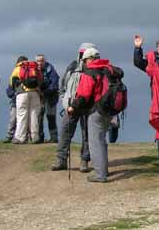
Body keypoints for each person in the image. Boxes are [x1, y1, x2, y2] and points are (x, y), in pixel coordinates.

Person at [69, 47, 123, 183]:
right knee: (101, 140)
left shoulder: (90, 72)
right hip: (109, 111)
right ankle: (103, 170)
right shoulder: (109, 70)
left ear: (90, 59)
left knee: (95, 142)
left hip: (96, 110)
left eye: (85, 60)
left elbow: (84, 95)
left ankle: (100, 174)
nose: (84, 63)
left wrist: (73, 107)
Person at [52, 43, 95, 172]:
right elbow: (63, 87)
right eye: (82, 53)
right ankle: (61, 159)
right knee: (65, 131)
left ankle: (85, 161)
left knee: (87, 134)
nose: (83, 55)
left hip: (89, 106)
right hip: (71, 106)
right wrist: (64, 103)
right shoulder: (72, 66)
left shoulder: (97, 68)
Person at [133, 35, 159, 165]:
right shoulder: (152, 61)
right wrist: (137, 48)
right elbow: (138, 63)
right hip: (158, 97)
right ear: (157, 49)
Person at [9, 56, 42, 144]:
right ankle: (35, 137)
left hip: (22, 94)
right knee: (34, 115)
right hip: (35, 93)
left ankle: (20, 137)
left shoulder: (18, 68)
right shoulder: (34, 68)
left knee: (22, 115)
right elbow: (41, 80)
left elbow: (12, 83)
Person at [35, 54, 60, 143]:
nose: (40, 63)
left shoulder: (51, 69)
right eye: (38, 61)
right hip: (39, 97)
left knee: (51, 117)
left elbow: (54, 83)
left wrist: (44, 91)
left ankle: (54, 138)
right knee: (39, 117)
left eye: (41, 60)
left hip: (51, 96)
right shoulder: (34, 70)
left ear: (45, 61)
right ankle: (39, 137)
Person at [4, 56, 27, 143]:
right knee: (16, 119)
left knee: (15, 119)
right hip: (17, 100)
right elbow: (9, 89)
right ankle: (12, 136)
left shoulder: (15, 72)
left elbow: (9, 89)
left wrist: (12, 94)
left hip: (17, 100)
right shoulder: (18, 74)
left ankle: (11, 136)